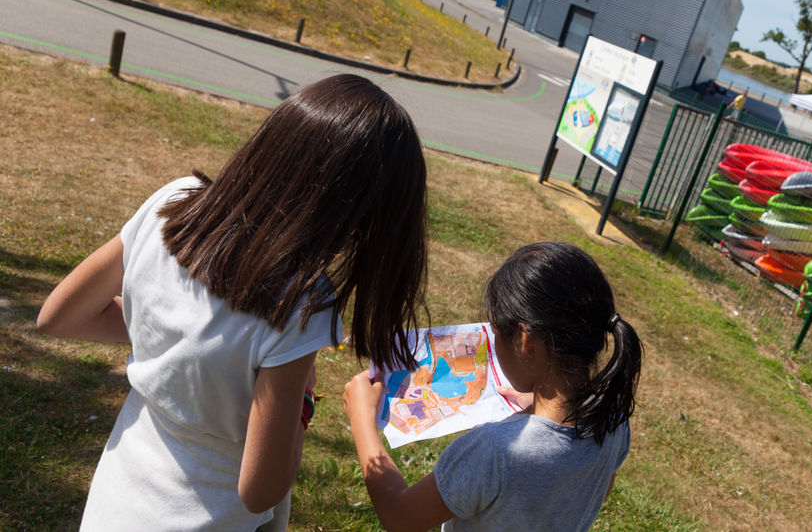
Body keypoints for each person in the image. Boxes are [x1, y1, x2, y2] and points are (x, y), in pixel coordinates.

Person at [37, 74, 429, 530]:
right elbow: (261, 488)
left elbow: (58, 315)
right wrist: (302, 398)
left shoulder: (175, 203)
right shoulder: (302, 304)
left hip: (116, 503)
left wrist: (179, 342)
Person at [343, 241, 643, 532]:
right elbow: (595, 490)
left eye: (495, 332)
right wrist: (535, 405)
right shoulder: (613, 417)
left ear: (526, 341)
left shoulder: (495, 451)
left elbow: (400, 516)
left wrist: (363, 422)